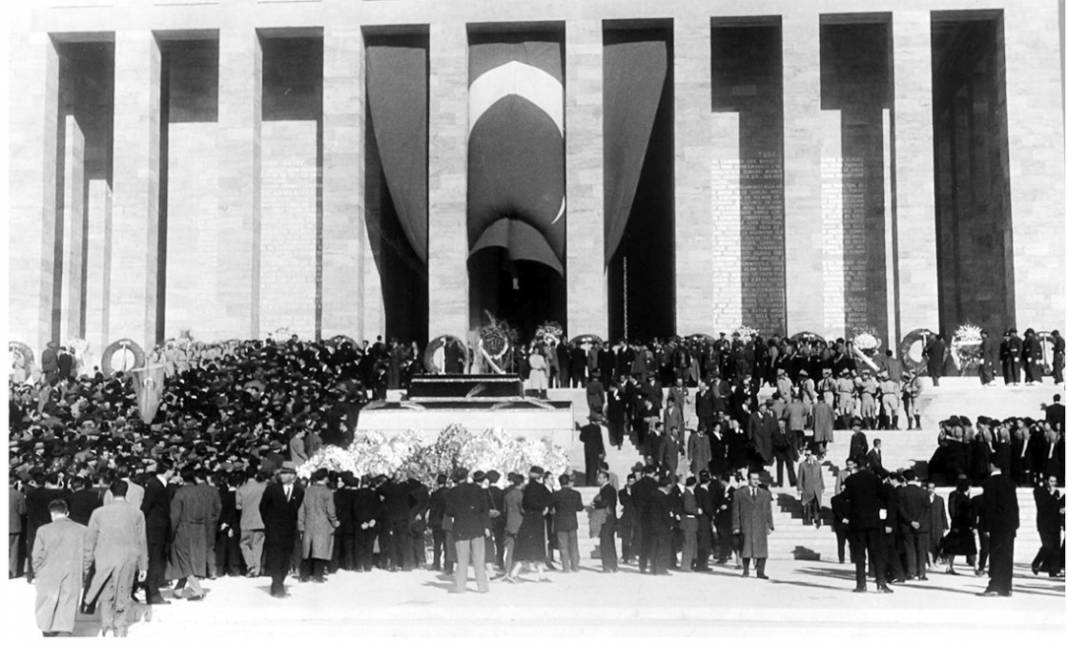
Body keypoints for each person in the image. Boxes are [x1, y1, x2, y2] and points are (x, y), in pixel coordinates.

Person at [84, 480, 149, 637]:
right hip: (128, 558)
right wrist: (143, 565)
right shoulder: (137, 513)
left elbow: (90, 540)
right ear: (126, 492)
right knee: (123, 592)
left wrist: (87, 563)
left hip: (104, 558)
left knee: (105, 593)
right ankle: (120, 627)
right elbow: (142, 541)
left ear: (111, 492)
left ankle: (106, 626)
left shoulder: (98, 513)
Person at [32, 499, 89, 637]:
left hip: (48, 573)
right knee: (67, 605)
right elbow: (88, 556)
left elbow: (37, 555)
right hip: (72, 572)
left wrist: (38, 573)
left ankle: (48, 632)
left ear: (51, 514)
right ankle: (63, 633)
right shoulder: (82, 530)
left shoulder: (43, 530)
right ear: (67, 512)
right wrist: (86, 574)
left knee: (46, 605)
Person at [841, 457, 892, 593]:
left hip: (857, 522)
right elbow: (884, 495)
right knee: (876, 554)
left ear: (856, 465)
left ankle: (861, 585)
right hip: (873, 521)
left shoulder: (851, 480)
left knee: (859, 555)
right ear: (868, 464)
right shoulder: (875, 480)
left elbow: (844, 497)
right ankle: (881, 583)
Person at [168, 468, 220, 601]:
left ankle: (197, 590)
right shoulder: (203, 492)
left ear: (182, 478)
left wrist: (170, 532)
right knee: (191, 558)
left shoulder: (180, 493)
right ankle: (179, 589)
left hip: (183, 529)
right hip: (200, 528)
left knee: (183, 558)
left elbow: (175, 516)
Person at [259, 466, 303, 598]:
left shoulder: (299, 491)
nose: (281, 476)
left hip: (290, 531)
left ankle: (278, 583)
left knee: (285, 560)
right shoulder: (272, 489)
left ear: (293, 476)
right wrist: (269, 523)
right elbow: (263, 507)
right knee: (275, 558)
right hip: (274, 530)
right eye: (281, 473)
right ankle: (278, 587)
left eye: (285, 473)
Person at [445, 467, 490, 593]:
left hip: (461, 527)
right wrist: (486, 526)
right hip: (477, 527)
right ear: (467, 476)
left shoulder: (452, 492)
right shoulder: (478, 490)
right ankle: (482, 587)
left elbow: (449, 512)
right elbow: (484, 510)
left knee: (462, 560)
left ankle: (460, 587)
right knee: (479, 559)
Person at [979, 463, 1019, 596]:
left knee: (996, 556)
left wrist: (986, 527)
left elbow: (988, 506)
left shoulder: (989, 483)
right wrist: (1015, 525)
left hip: (996, 526)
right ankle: (1007, 587)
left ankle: (994, 586)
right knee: (1007, 556)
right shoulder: (1010, 482)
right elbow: (1015, 506)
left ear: (991, 465)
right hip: (1009, 526)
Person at [140, 458, 173, 605]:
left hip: (160, 529)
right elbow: (145, 507)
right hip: (154, 530)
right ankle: (152, 593)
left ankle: (153, 591)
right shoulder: (154, 485)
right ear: (168, 471)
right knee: (154, 561)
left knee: (157, 561)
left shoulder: (161, 484)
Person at [298, 468, 338, 583]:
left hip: (309, 523)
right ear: (325, 478)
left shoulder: (308, 490)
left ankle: (304, 575)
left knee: (307, 551)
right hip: (323, 524)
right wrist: (334, 522)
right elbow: (330, 511)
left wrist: (301, 524)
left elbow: (302, 509)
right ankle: (318, 575)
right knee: (320, 551)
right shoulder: (327, 492)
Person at [511, 466, 551, 582]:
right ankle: (540, 574)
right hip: (538, 519)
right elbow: (550, 499)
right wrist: (545, 508)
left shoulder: (526, 488)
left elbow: (525, 504)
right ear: (540, 476)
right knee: (538, 546)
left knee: (525, 547)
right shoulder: (541, 488)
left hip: (528, 519)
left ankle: (515, 573)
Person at [732, 470, 773, 579]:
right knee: (746, 549)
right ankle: (745, 571)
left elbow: (768, 510)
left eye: (757, 479)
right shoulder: (740, 494)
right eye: (754, 479)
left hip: (760, 525)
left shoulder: (765, 494)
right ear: (749, 480)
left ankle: (761, 572)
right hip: (746, 525)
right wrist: (736, 526)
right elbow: (735, 511)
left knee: (761, 550)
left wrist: (770, 525)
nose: (756, 481)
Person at [897, 470, 931, 580]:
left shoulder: (901, 492)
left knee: (909, 549)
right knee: (921, 549)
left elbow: (901, 509)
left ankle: (911, 572)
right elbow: (927, 509)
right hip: (922, 525)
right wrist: (919, 521)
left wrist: (910, 521)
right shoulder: (924, 492)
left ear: (905, 479)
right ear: (915, 478)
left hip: (907, 525)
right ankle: (921, 573)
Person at [235, 469, 267, 577]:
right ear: (256, 474)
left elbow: (238, 506)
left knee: (244, 544)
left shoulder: (241, 489)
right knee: (258, 545)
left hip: (246, 520)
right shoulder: (262, 487)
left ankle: (250, 565)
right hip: (260, 521)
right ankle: (257, 568)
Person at [1032, 475, 1063, 577]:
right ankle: (1036, 563)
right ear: (1046, 481)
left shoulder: (1057, 492)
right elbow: (1041, 505)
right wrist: (1051, 494)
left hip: (1055, 523)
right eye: (1051, 481)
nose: (1053, 483)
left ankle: (1053, 571)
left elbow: (1056, 506)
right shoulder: (1039, 491)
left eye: (1055, 481)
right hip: (1044, 524)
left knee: (1056, 548)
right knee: (1047, 545)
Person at [551, 474, 583, 573]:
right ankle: (575, 566)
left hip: (560, 522)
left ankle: (566, 567)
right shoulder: (576, 494)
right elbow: (580, 508)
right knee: (574, 546)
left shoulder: (555, 495)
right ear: (569, 482)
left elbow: (552, 508)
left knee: (563, 546)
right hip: (572, 522)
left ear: (560, 483)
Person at [592, 470, 618, 573]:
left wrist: (595, 504)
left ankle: (608, 565)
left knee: (606, 542)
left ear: (606, 478)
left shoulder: (608, 489)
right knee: (609, 542)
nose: (598, 480)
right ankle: (612, 565)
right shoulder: (606, 489)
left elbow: (605, 503)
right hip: (608, 518)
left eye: (600, 478)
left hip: (607, 518)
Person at [797, 449, 824, 527]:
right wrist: (799, 488)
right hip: (807, 487)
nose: (808, 456)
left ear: (813, 455)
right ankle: (808, 519)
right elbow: (800, 477)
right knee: (808, 504)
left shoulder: (818, 464)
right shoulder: (802, 465)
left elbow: (820, 476)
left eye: (809, 455)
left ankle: (817, 518)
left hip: (816, 488)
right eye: (806, 455)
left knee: (816, 503)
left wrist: (822, 486)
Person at [679, 476, 700, 571]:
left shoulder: (687, 493)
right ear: (694, 484)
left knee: (690, 543)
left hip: (690, 522)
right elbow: (687, 507)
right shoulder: (688, 494)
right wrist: (697, 511)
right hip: (688, 522)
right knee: (688, 544)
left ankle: (687, 564)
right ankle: (685, 565)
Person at [579, 418, 605, 486]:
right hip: (595, 450)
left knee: (588, 466)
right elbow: (599, 440)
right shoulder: (597, 428)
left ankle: (588, 482)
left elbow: (581, 438)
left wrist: (588, 440)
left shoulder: (585, 428)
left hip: (587, 450)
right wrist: (600, 451)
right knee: (594, 467)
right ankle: (592, 482)